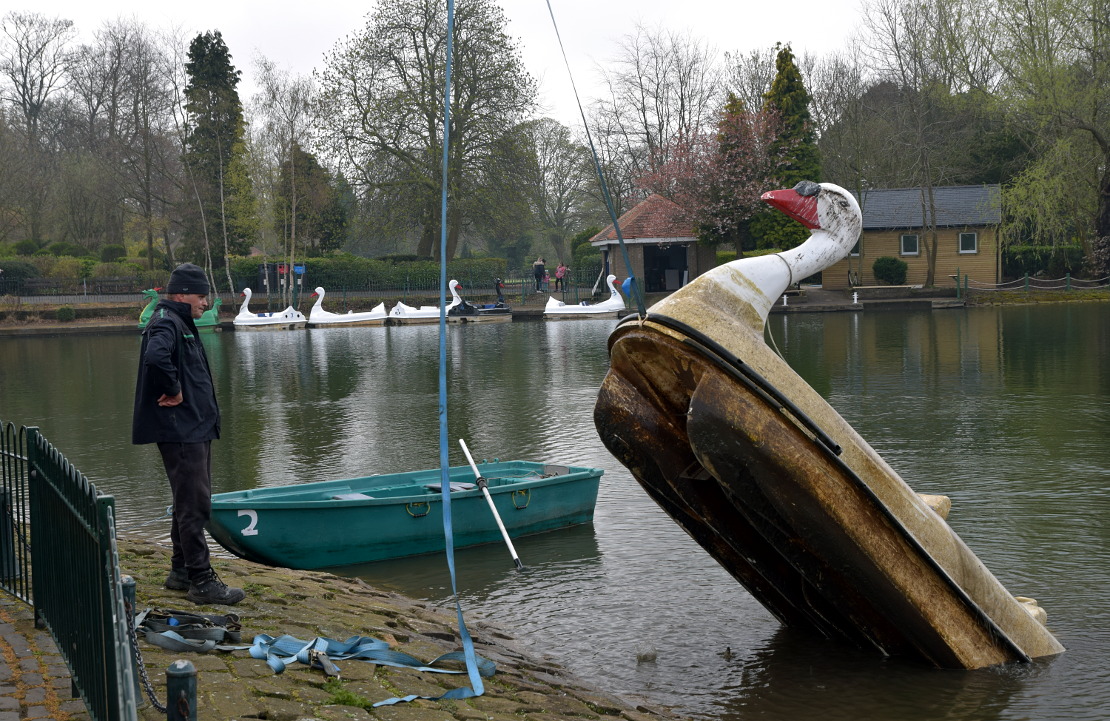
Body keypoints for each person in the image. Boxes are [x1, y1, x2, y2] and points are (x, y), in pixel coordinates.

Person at [132, 263, 245, 606]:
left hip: (193, 428)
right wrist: (174, 390)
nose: (204, 302)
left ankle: (180, 572)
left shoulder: (180, 321)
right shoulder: (167, 321)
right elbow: (155, 357)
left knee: (189, 502)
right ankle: (201, 580)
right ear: (181, 294)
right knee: (194, 505)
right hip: (182, 430)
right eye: (200, 296)